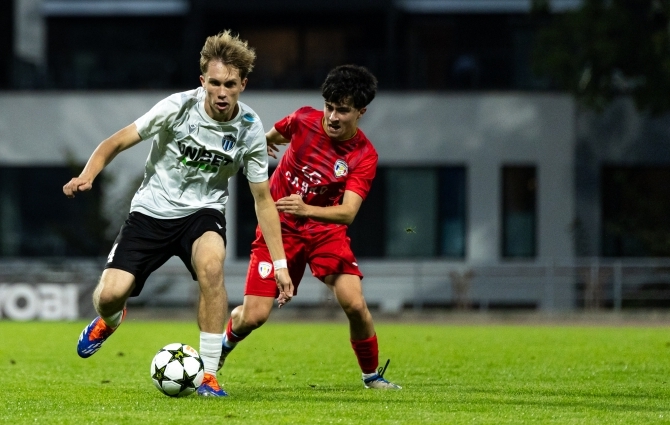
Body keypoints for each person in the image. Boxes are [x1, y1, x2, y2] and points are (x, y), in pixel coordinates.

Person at [62, 30, 293, 398]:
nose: (221, 92)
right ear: (202, 82)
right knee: (109, 295)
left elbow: (263, 200)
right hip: (151, 210)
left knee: (212, 266)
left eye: (229, 84)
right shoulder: (177, 108)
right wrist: (88, 175)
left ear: (242, 85)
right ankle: (110, 320)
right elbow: (116, 141)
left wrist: (280, 265)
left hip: (203, 213)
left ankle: (210, 375)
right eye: (214, 83)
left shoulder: (249, 130)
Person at [218, 64, 401, 390]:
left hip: (324, 232)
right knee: (254, 317)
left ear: (361, 112)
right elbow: (270, 138)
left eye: (342, 111)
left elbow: (347, 214)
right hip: (279, 228)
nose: (331, 116)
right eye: (329, 107)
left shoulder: (363, 155)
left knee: (356, 305)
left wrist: (306, 208)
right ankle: (226, 340)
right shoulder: (303, 119)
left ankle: (371, 376)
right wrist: (264, 144)